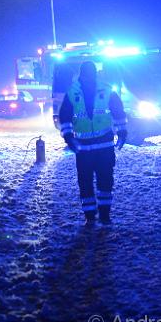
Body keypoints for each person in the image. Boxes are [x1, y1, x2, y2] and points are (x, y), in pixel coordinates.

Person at [59, 61, 127, 225]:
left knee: (101, 183)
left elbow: (118, 112)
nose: (89, 77)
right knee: (88, 183)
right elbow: (65, 118)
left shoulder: (105, 90)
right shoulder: (74, 91)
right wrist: (68, 136)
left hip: (96, 147)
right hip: (87, 148)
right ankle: (92, 217)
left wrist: (123, 131)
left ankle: (102, 216)